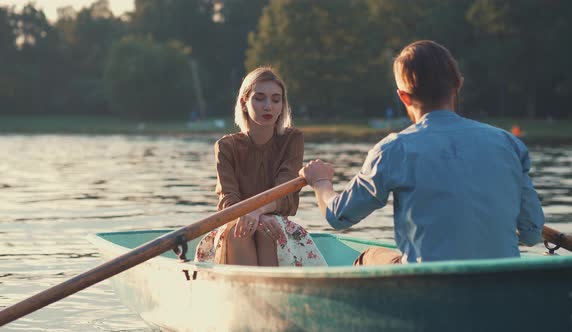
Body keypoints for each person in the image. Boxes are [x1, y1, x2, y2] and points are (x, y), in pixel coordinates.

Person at [299, 40, 544, 265]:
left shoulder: (393, 149)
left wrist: (321, 182)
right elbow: (532, 233)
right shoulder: (509, 144)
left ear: (403, 97)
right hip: (500, 281)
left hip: (428, 284)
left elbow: (339, 216)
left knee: (368, 257)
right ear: (458, 84)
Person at [195, 66, 326, 267]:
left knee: (269, 230)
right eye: (259, 98)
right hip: (237, 220)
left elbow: (284, 191)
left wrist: (259, 214)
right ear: (244, 103)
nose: (268, 106)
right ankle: (246, 294)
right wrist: (254, 217)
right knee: (239, 231)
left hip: (275, 223)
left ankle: (274, 295)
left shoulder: (292, 139)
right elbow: (228, 201)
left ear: (282, 106)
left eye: (276, 100)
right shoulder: (225, 146)